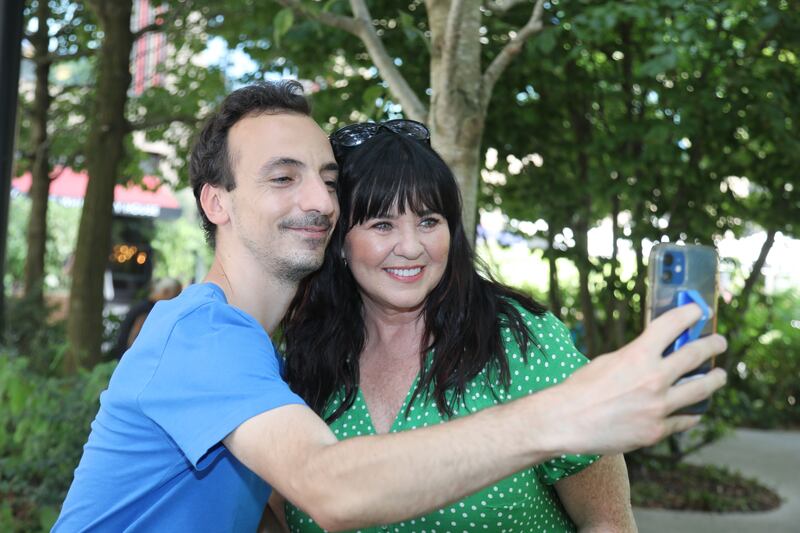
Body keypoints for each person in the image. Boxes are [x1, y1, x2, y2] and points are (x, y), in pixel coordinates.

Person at [53, 81, 727, 532]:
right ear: (215, 201)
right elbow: (328, 485)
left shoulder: (269, 358)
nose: (315, 199)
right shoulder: (207, 334)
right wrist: (565, 414)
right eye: (281, 177)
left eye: (323, 179)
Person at [278, 121, 633, 532]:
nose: (411, 247)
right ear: (340, 241)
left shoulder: (522, 342)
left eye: (428, 221)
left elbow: (608, 522)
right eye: (382, 225)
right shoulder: (304, 358)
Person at [111, 277, 182, 357]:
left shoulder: (144, 306)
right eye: (175, 297)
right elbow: (133, 341)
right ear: (166, 292)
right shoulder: (148, 311)